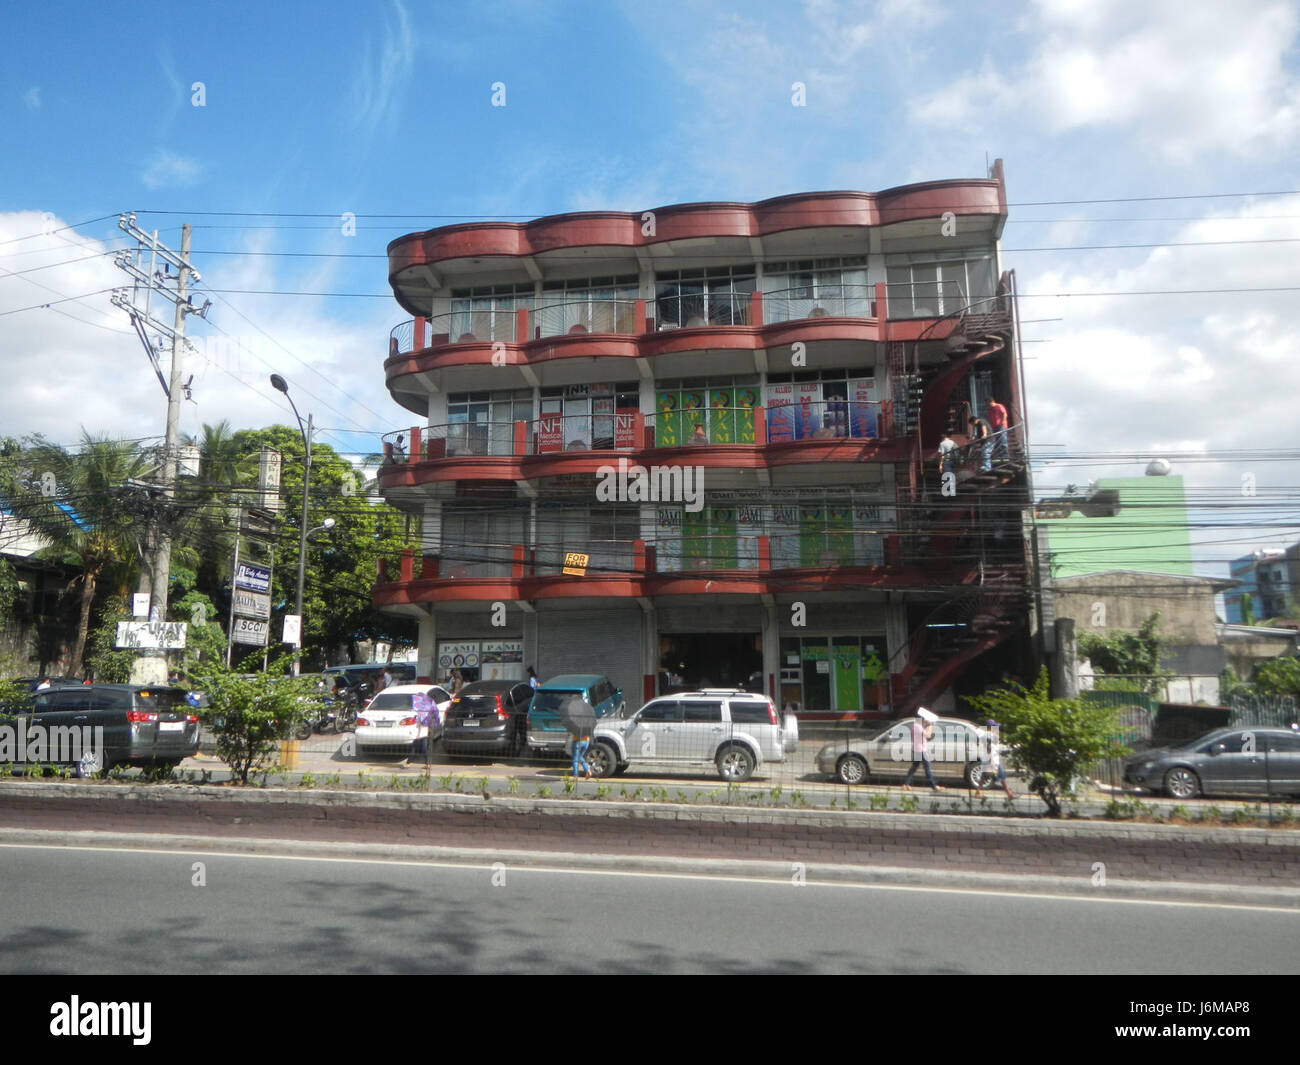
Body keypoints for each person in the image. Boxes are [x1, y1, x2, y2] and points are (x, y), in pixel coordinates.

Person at [902, 708, 943, 791]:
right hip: (920, 751)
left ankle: (906, 784)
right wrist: (930, 725)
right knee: (927, 768)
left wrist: (927, 725)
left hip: (917, 749)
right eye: (923, 719)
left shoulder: (916, 726)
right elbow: (928, 735)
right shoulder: (918, 727)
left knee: (914, 768)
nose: (924, 720)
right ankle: (934, 786)